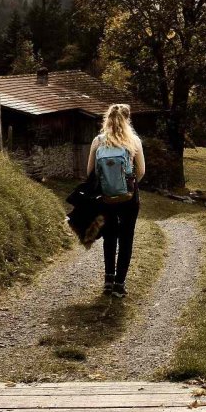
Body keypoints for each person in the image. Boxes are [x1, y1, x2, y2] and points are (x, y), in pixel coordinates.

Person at [87, 103, 146, 299]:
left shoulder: (98, 141)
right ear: (126, 120)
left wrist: (107, 184)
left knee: (110, 237)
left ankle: (108, 281)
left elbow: (90, 172)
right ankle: (120, 285)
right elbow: (141, 171)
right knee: (126, 238)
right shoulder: (134, 141)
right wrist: (128, 185)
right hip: (129, 198)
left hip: (105, 197)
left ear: (107, 120)